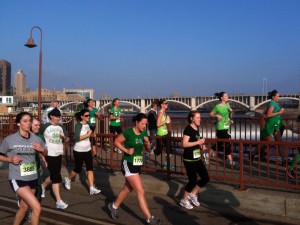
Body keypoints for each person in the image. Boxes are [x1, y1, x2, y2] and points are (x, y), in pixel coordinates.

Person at [108, 113, 161, 225]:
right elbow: (116, 142)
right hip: (128, 163)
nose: (144, 126)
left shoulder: (144, 133)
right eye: (142, 124)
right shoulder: (128, 132)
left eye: (145, 124)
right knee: (140, 190)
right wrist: (126, 150)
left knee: (128, 188)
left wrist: (147, 143)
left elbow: (147, 149)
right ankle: (149, 218)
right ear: (136, 122)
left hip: (137, 164)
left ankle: (113, 206)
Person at [0, 112, 47, 225]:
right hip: (17, 177)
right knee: (37, 207)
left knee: (24, 207)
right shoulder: (9, 140)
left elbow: (46, 152)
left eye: (29, 121)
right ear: (18, 123)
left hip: (32, 177)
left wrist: (42, 150)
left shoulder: (36, 138)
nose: (28, 123)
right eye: (25, 121)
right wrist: (10, 160)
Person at [64, 108, 101, 195]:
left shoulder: (87, 124)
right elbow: (76, 138)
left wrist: (92, 134)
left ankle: (91, 188)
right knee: (78, 169)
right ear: (82, 117)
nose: (88, 117)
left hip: (87, 150)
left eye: (89, 115)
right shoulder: (78, 125)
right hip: (79, 151)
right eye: (86, 116)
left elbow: (88, 134)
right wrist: (87, 134)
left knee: (90, 168)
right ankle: (68, 179)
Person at [40, 108, 69, 209]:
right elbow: (38, 137)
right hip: (49, 154)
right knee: (57, 177)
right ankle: (59, 201)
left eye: (59, 116)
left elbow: (67, 139)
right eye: (56, 116)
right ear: (51, 116)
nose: (58, 118)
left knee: (54, 175)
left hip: (58, 153)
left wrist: (64, 137)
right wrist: (42, 155)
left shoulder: (61, 127)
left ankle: (42, 186)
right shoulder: (44, 126)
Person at [180, 110, 210, 209]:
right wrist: (198, 142)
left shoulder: (196, 128)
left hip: (197, 158)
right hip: (189, 159)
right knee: (192, 180)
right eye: (197, 117)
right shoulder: (188, 129)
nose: (199, 119)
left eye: (200, 117)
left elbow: (197, 140)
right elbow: (184, 144)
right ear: (191, 119)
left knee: (205, 178)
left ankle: (193, 194)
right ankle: (184, 200)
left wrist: (202, 146)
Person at [210, 92, 239, 168]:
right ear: (221, 98)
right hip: (220, 127)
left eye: (227, 95)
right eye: (225, 95)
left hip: (227, 126)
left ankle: (207, 154)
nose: (227, 96)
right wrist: (217, 115)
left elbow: (228, 115)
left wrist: (230, 119)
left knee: (219, 143)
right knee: (227, 144)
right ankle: (231, 161)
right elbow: (211, 114)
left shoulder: (227, 105)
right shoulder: (217, 106)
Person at [260, 90, 286, 164]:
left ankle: (284, 160)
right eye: (277, 96)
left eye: (279, 96)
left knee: (276, 142)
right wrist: (279, 112)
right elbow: (268, 115)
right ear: (273, 97)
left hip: (275, 125)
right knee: (267, 142)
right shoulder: (272, 103)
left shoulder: (274, 103)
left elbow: (265, 114)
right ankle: (284, 161)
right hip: (272, 126)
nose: (279, 97)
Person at [155, 99, 172, 169]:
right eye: (165, 103)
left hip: (165, 133)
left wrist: (168, 120)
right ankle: (147, 153)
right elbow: (158, 124)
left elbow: (166, 122)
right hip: (160, 134)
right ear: (162, 105)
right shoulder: (161, 112)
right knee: (158, 152)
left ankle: (166, 164)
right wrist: (166, 121)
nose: (167, 104)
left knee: (169, 149)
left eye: (167, 103)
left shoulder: (164, 112)